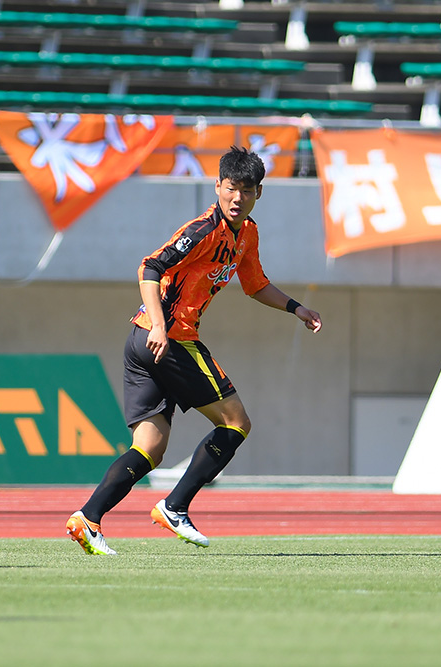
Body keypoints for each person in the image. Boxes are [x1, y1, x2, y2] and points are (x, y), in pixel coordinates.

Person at [67, 146, 322, 554]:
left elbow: (255, 285)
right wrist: (160, 325)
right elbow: (150, 267)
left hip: (144, 341)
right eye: (231, 188)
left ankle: (88, 517)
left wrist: (296, 308)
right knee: (237, 423)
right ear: (217, 186)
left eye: (247, 190)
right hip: (169, 338)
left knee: (149, 449)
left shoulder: (247, 234)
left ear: (259, 193)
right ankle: (175, 507)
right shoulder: (203, 230)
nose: (237, 197)